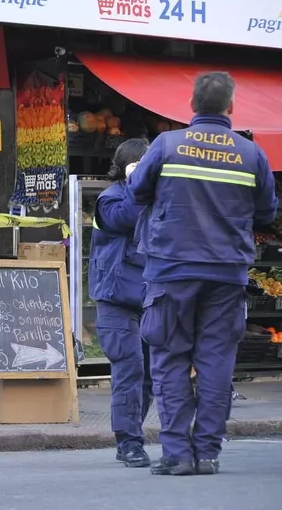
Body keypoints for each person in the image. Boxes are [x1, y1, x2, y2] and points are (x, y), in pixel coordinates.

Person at [128, 72, 278, 476]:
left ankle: (176, 454)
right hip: (227, 274)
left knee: (170, 358)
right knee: (215, 363)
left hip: (171, 270)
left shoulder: (167, 145)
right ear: (231, 108)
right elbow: (266, 212)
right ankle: (208, 453)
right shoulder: (251, 154)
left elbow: (136, 193)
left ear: (191, 107)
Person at [88, 138, 153, 468]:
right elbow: (125, 219)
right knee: (130, 370)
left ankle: (132, 432)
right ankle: (129, 442)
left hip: (150, 299)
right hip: (116, 300)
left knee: (150, 376)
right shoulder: (110, 199)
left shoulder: (154, 199)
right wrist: (141, 184)